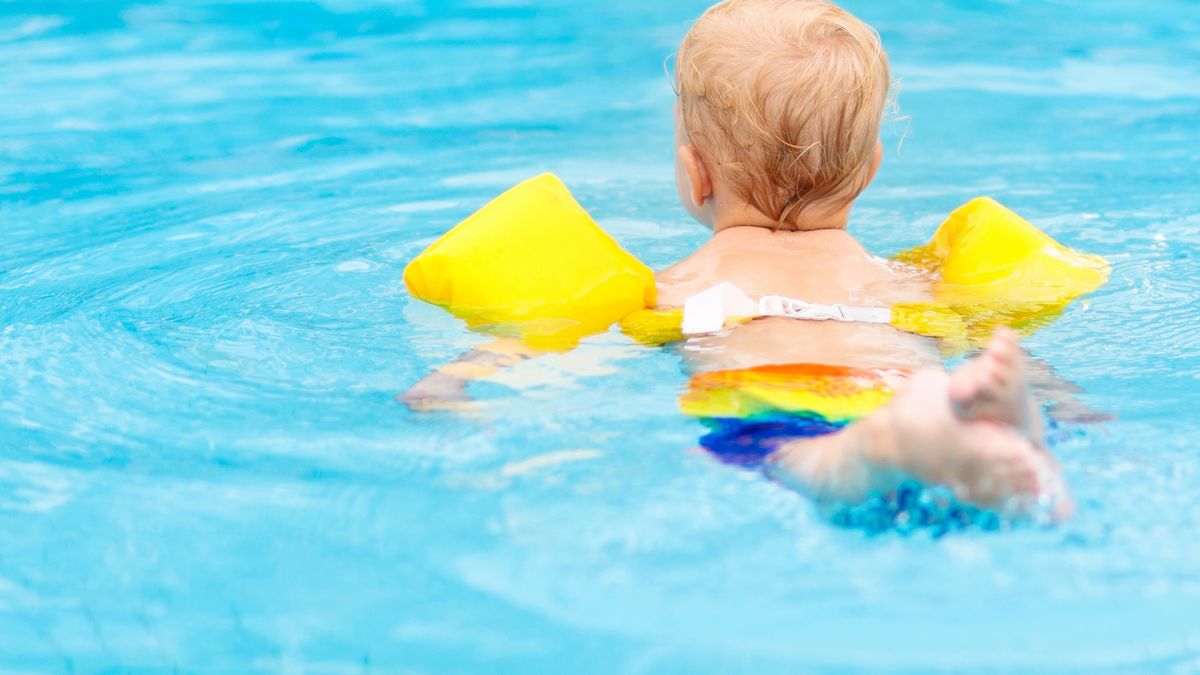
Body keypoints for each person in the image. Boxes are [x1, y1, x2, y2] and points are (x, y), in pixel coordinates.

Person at [403, 0, 1071, 519]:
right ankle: (987, 420)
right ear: (869, 170)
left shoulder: (673, 289)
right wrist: (1058, 395)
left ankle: (873, 449)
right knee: (953, 429)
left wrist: (449, 382)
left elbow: (543, 340)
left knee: (799, 464)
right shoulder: (910, 283)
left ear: (696, 175)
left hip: (775, 414)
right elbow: (997, 335)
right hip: (897, 374)